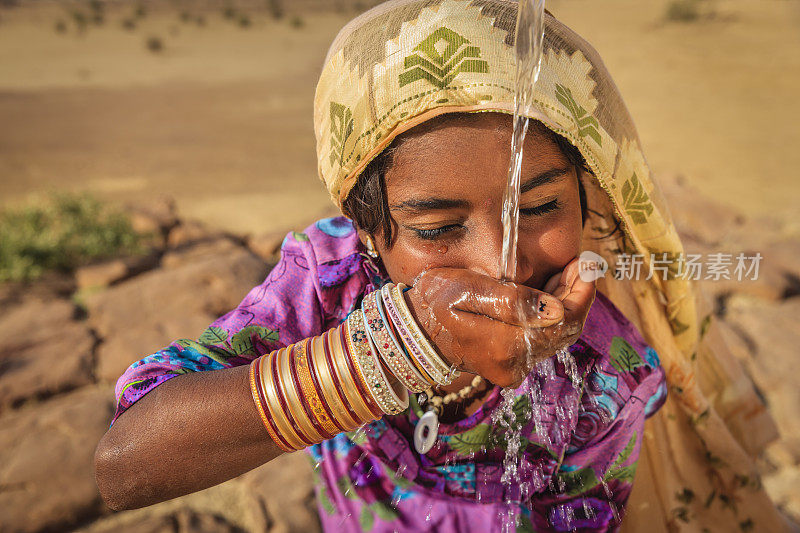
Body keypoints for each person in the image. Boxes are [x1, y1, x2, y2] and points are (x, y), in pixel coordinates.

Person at [94, 1, 790, 531]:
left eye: (541, 206)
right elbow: (126, 463)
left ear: (592, 196)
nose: (501, 262)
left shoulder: (606, 357)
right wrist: (394, 351)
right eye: (438, 227)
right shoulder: (331, 284)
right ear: (369, 228)